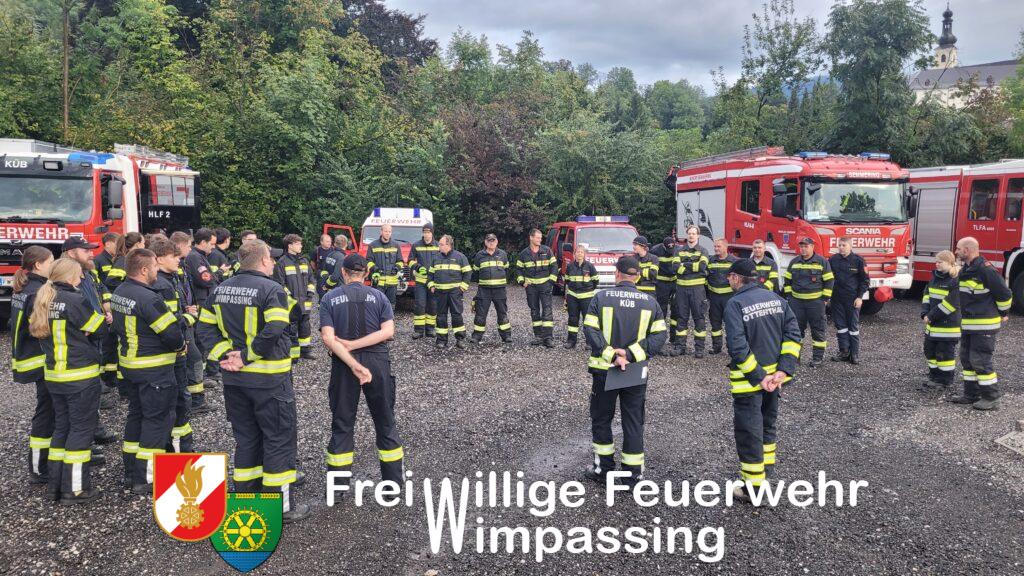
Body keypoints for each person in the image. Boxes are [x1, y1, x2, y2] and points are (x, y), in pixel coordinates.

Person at [197, 240, 309, 522]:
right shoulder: (271, 289)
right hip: (270, 379)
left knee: (246, 438)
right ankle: (281, 507)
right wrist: (247, 356)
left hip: (235, 381)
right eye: (271, 258)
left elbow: (204, 328)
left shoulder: (220, 289)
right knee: (278, 438)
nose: (273, 263)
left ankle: (247, 494)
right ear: (263, 260)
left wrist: (227, 355)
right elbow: (276, 327)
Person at [320, 253, 405, 490]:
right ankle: (392, 486)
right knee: (385, 421)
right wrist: (357, 345)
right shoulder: (379, 296)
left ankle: (337, 488)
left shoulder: (329, 298)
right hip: (377, 361)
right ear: (366, 273)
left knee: (342, 423)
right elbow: (387, 332)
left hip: (343, 363)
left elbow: (328, 338)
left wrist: (349, 351)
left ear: (343, 273)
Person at [583, 256, 668, 487]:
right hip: (635, 371)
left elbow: (590, 329)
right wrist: (630, 355)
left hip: (605, 369)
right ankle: (633, 475)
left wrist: (612, 355)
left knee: (602, 418)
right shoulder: (651, 302)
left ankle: (603, 469)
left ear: (617, 274)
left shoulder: (601, 297)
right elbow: (660, 336)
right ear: (638, 277)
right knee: (633, 421)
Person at [30, 258, 107, 504]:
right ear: (70, 276)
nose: (82, 278)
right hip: (80, 375)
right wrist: (102, 321)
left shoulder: (44, 297)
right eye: (79, 274)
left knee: (61, 428)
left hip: (55, 376)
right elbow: (100, 330)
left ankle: (56, 485)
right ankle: (75, 489)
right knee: (81, 430)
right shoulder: (74, 300)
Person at [723, 259, 801, 502]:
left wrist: (759, 377)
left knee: (749, 432)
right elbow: (793, 335)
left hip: (750, 382)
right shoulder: (777, 299)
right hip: (774, 382)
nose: (728, 281)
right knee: (767, 426)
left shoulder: (735, 304)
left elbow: (738, 347)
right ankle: (765, 474)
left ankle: (754, 488)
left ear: (737, 278)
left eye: (729, 277)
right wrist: (783, 371)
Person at [111, 249, 185, 494]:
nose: (156, 270)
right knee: (157, 421)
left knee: (136, 417)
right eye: (154, 266)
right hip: (154, 369)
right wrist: (181, 346)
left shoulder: (120, 291)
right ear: (144, 270)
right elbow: (171, 333)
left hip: (131, 367)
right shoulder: (149, 298)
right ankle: (147, 478)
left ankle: (130, 471)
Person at [61, 237, 117, 446]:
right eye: (85, 250)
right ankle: (85, 438)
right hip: (80, 341)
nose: (91, 254)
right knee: (81, 395)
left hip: (95, 335)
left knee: (91, 390)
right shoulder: (64, 277)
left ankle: (95, 429)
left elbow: (102, 291)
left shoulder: (90, 273)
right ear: (71, 253)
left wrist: (107, 309)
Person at [948, 237, 1013, 410]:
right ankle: (971, 394)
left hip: (984, 325)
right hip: (969, 325)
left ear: (967, 250)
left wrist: (1003, 313)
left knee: (980, 361)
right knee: (967, 360)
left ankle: (991, 398)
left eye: (958, 248)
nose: (956, 251)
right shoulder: (967, 269)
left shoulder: (986, 270)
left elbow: (1005, 295)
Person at [11, 246, 55, 485]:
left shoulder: (24, 288)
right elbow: (43, 328)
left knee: (47, 411)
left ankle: (46, 462)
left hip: (29, 357)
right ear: (38, 265)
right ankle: (39, 468)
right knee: (46, 414)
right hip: (40, 359)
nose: (53, 265)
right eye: (50, 261)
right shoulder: (38, 292)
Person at [151, 238, 198, 451]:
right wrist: (189, 319)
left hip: (165, 353)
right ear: (159, 259)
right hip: (173, 352)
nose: (178, 260)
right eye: (174, 256)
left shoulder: (168, 279)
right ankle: (180, 452)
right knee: (180, 400)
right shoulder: (163, 284)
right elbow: (171, 322)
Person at [171, 231, 210, 414]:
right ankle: (196, 401)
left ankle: (195, 398)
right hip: (182, 323)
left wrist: (187, 306)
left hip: (188, 316)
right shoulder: (172, 271)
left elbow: (184, 290)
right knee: (194, 359)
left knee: (193, 358)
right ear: (179, 246)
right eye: (188, 245)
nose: (190, 248)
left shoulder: (182, 265)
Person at [784, 237, 833, 367]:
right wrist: (789, 297)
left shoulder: (822, 262)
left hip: (815, 303)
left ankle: (817, 358)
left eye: (806, 246)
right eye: (801, 246)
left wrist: (825, 299)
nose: (803, 249)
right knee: (795, 331)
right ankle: (795, 358)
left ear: (812, 247)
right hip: (797, 303)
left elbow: (829, 281)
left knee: (818, 330)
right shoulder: (794, 262)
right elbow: (787, 281)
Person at [185, 228, 221, 386]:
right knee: (201, 338)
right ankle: (202, 375)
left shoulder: (199, 256)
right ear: (203, 242)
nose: (213, 247)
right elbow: (205, 279)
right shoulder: (195, 257)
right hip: (201, 302)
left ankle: (204, 373)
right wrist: (218, 274)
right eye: (211, 244)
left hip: (204, 301)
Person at [921, 250, 961, 390]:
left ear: (950, 263)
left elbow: (950, 304)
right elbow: (927, 295)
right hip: (933, 326)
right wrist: (924, 312)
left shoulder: (955, 280)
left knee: (944, 355)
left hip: (948, 327)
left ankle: (944, 380)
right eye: (936, 261)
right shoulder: (935, 277)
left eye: (940, 262)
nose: (936, 264)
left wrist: (930, 316)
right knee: (930, 351)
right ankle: (934, 376)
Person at [828, 237, 870, 364]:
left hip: (852, 299)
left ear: (850, 247)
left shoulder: (858, 260)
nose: (841, 247)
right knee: (840, 326)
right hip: (837, 298)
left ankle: (854, 354)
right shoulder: (833, 260)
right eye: (839, 245)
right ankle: (844, 352)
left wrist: (860, 297)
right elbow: (827, 278)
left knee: (853, 326)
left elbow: (865, 281)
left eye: (844, 245)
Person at [274, 234, 315, 360]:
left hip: (305, 301)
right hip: (291, 303)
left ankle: (305, 351)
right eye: (298, 243)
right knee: (291, 328)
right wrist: (290, 298)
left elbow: (311, 279)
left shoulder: (304, 261)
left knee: (305, 326)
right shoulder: (282, 262)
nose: (301, 246)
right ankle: (293, 355)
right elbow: (280, 284)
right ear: (290, 246)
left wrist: (310, 294)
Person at [428, 235, 472, 349]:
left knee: (456, 316)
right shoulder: (436, 258)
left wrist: (462, 287)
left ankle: (460, 339)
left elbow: (468, 273)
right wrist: (431, 285)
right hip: (440, 293)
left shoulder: (460, 257)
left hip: (455, 293)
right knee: (441, 317)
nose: (439, 246)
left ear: (448, 245)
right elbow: (430, 275)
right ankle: (441, 340)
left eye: (441, 244)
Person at [516, 229, 558, 348]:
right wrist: (522, 282)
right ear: (531, 237)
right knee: (534, 311)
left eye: (540, 238)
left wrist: (551, 281)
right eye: (538, 238)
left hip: (545, 285)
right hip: (531, 287)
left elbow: (554, 266)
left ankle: (548, 338)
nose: (540, 240)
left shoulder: (547, 250)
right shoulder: (524, 254)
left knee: (547, 310)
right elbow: (518, 269)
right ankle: (538, 336)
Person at [672, 225, 709, 357]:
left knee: (699, 318)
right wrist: (693, 266)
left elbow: (702, 266)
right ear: (687, 235)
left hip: (697, 290)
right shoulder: (679, 250)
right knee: (681, 318)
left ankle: (699, 349)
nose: (691, 236)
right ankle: (680, 347)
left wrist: (684, 265)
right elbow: (675, 267)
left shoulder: (703, 251)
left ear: (698, 236)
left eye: (694, 233)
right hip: (681, 289)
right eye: (689, 233)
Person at [471, 233, 512, 344]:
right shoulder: (479, 255)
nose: (491, 243)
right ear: (485, 242)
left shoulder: (502, 254)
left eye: (493, 240)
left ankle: (506, 335)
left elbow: (506, 270)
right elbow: (475, 273)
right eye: (489, 241)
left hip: (500, 290)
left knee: (502, 313)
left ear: (497, 242)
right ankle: (477, 336)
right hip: (484, 290)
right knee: (480, 314)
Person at [562, 244, 598, 349]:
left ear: (584, 254)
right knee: (572, 319)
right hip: (573, 297)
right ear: (574, 254)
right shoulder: (570, 266)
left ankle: (589, 342)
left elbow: (595, 281)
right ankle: (571, 341)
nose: (580, 254)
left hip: (587, 297)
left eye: (582, 252)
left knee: (588, 320)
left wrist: (587, 290)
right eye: (578, 252)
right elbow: (567, 280)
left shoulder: (590, 266)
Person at [706, 238, 738, 355]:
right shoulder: (710, 261)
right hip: (714, 298)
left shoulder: (734, 261)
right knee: (715, 324)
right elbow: (706, 278)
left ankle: (731, 348)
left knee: (731, 324)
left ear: (726, 247)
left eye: (718, 246)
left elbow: (738, 281)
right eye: (715, 246)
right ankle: (716, 347)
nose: (716, 249)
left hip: (729, 298)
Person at [408, 224, 440, 339]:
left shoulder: (438, 245)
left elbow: (442, 260)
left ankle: (430, 329)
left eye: (428, 232)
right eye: (424, 232)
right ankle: (419, 330)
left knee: (433, 305)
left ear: (432, 233)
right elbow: (410, 261)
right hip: (420, 282)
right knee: (420, 305)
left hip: (433, 282)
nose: (426, 234)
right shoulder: (416, 245)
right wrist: (417, 267)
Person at [649, 236, 679, 354]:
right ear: (663, 246)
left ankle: (673, 337)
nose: (670, 251)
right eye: (668, 249)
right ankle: (660, 337)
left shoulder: (678, 249)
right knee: (662, 310)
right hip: (661, 283)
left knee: (676, 309)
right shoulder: (655, 251)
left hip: (675, 282)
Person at [367, 223, 405, 308]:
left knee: (391, 305)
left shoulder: (396, 245)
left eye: (389, 231)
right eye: (386, 231)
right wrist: (375, 269)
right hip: (378, 282)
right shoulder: (373, 245)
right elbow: (368, 261)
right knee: (377, 305)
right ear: (381, 232)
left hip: (392, 283)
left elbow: (400, 261)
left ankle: (390, 317)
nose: (388, 233)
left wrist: (396, 268)